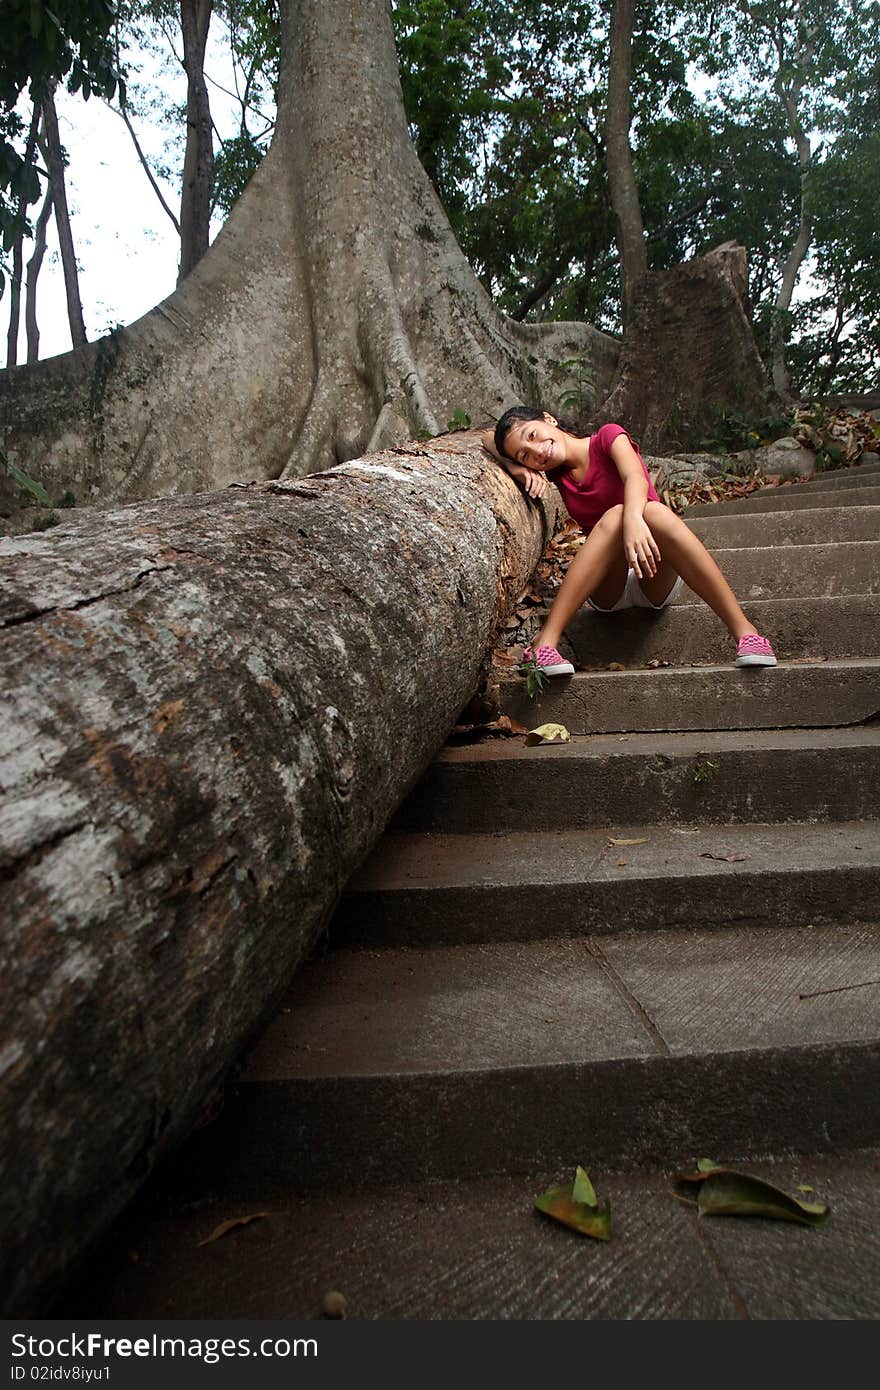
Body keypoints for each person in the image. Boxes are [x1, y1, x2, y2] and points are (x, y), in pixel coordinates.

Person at [482, 406, 777, 675]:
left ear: (549, 419)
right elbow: (486, 437)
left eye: (532, 435)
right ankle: (545, 645)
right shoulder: (557, 473)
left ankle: (746, 632)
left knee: (652, 512)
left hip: (652, 570)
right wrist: (516, 468)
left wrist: (634, 518)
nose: (536, 452)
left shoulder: (606, 438)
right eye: (525, 454)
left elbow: (635, 476)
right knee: (614, 517)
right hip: (608, 586)